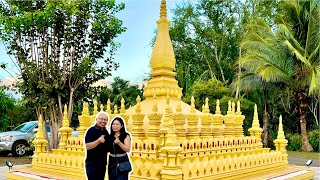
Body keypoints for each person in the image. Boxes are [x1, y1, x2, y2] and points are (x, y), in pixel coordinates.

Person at [84, 111, 111, 180]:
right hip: (92, 163)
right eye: (101, 119)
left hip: (102, 163)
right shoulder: (91, 130)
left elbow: (108, 147)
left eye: (105, 119)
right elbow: (88, 146)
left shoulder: (106, 132)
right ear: (96, 120)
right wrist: (98, 141)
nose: (103, 121)